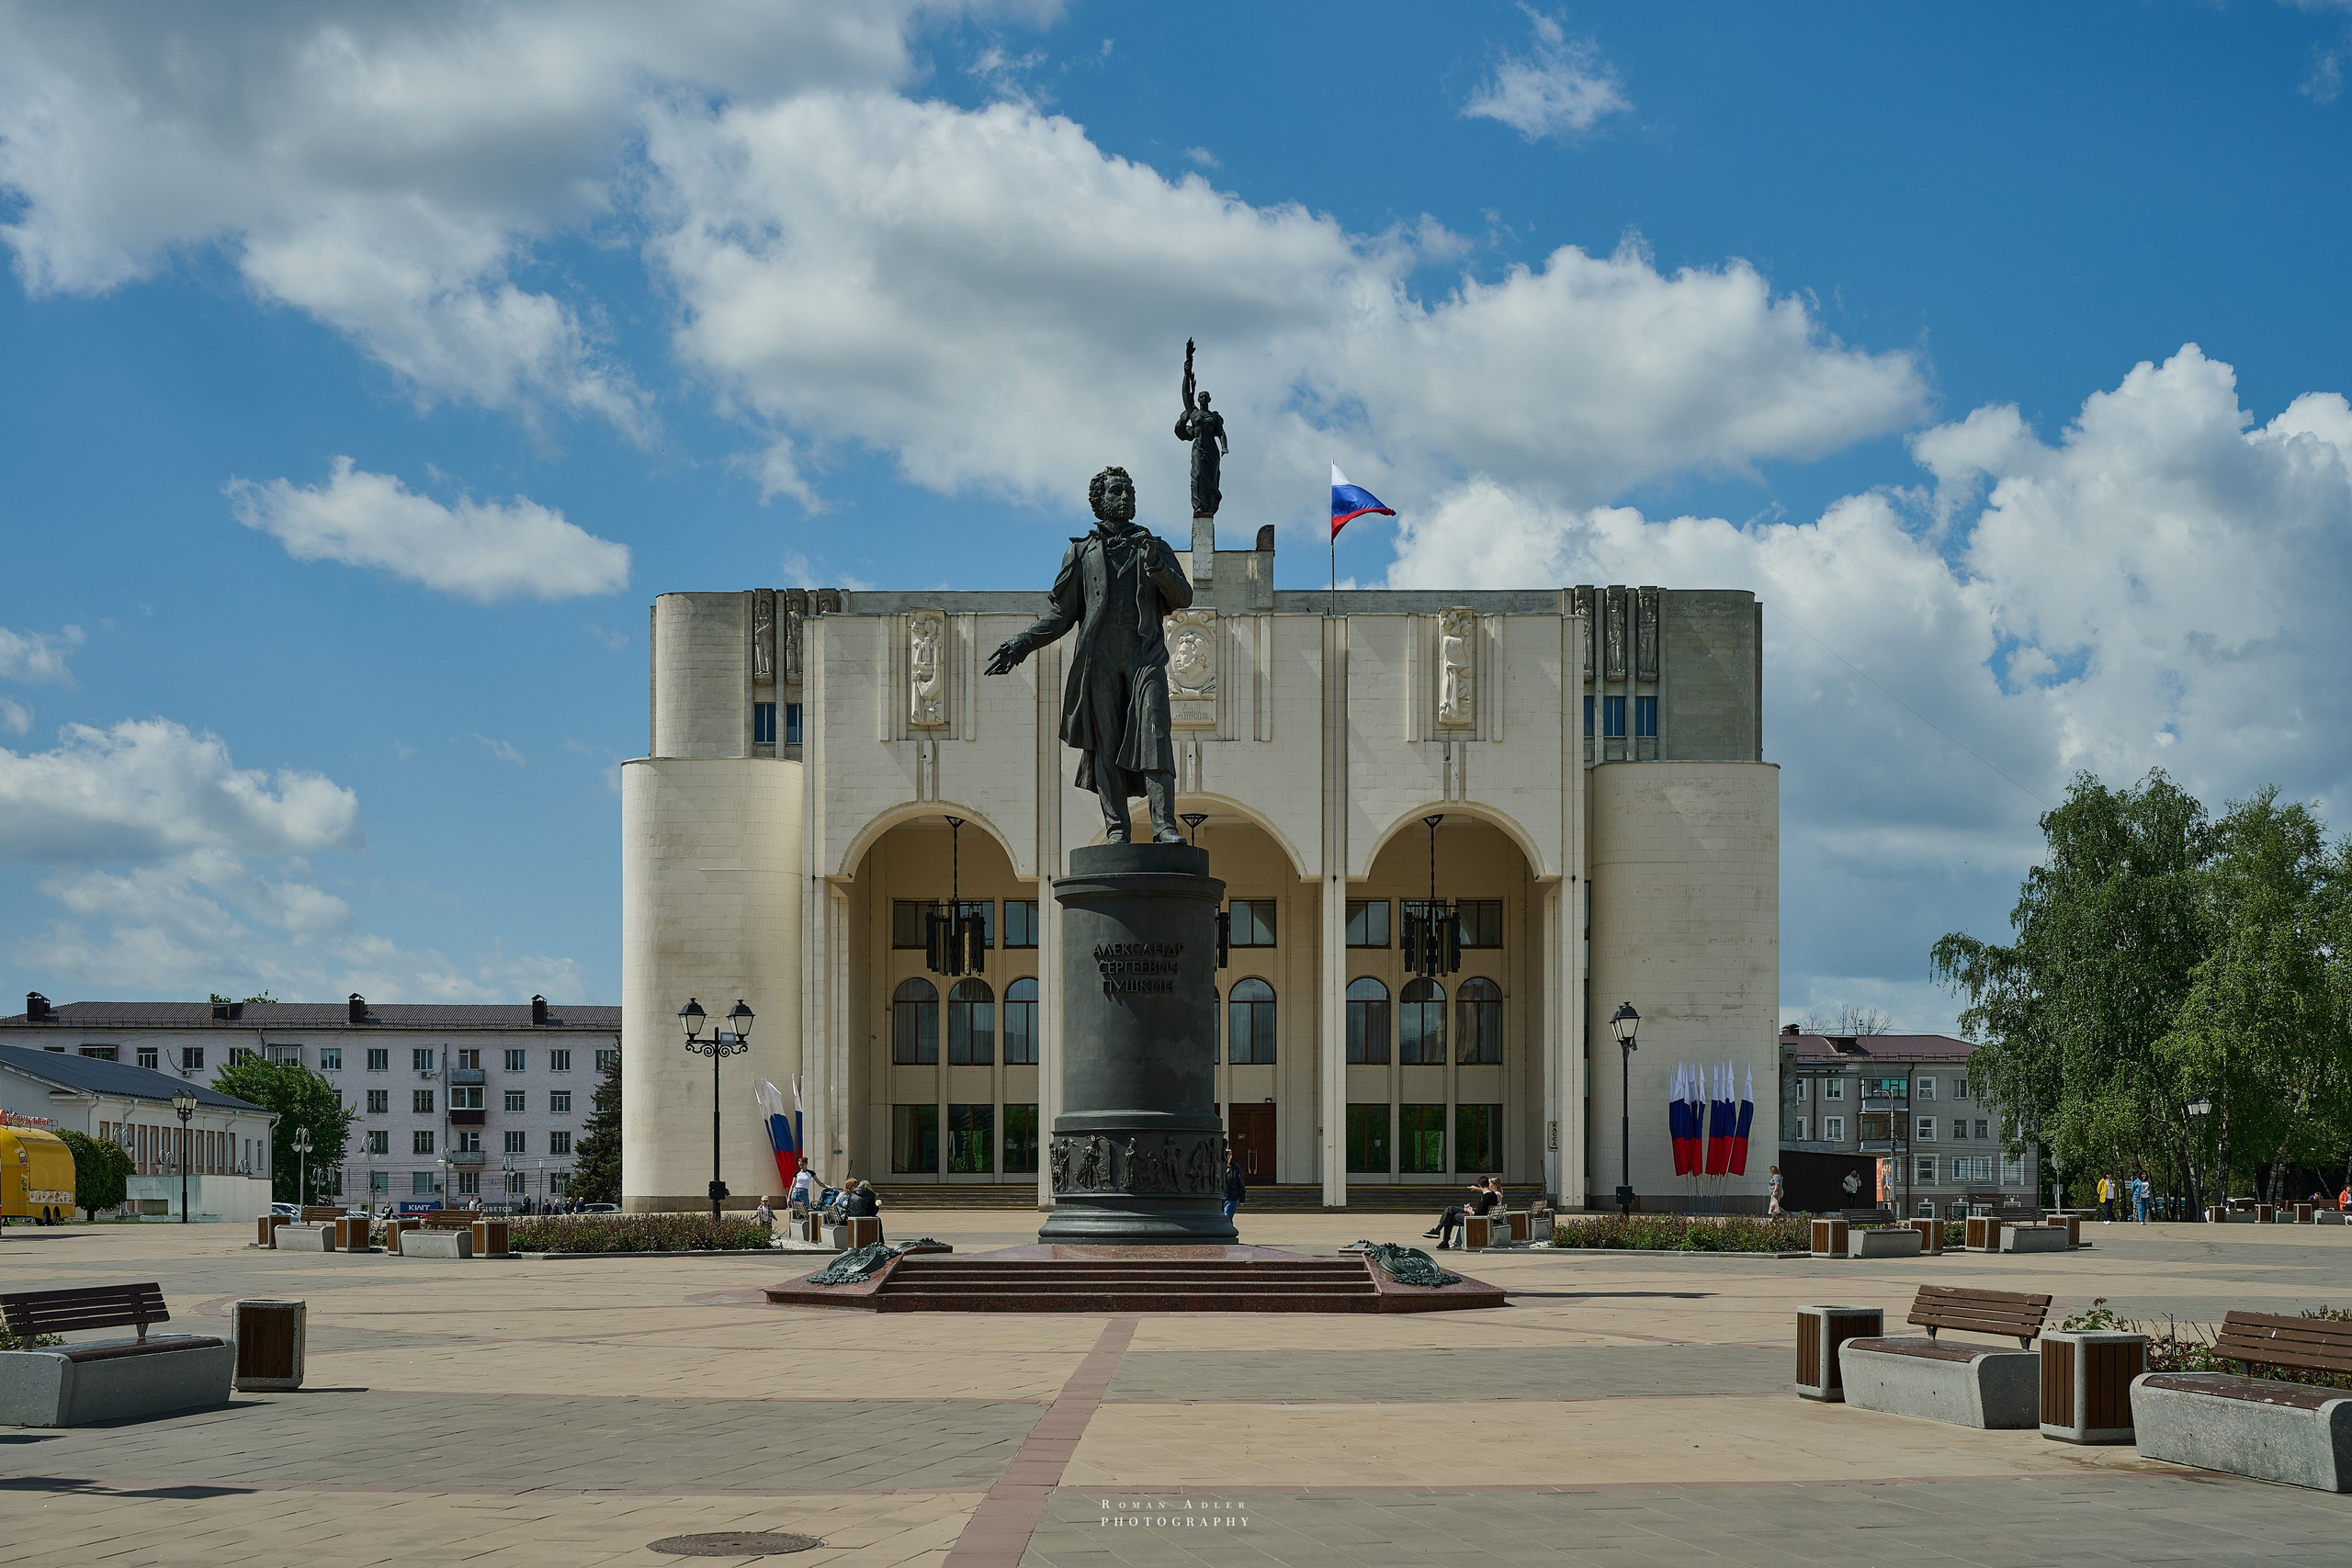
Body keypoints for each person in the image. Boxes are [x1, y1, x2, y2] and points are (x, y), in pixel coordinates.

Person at [1431, 1178, 1502, 1250]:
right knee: (1450, 1209)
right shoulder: (1493, 1195)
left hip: (1478, 1219)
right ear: (1488, 1184)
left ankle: (1441, 1237)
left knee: (1450, 1217)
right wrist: (1471, 1209)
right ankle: (1439, 1234)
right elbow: (1483, 1208)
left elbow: (1479, 1214)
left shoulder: (1485, 1197)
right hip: (1483, 1216)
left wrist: (1468, 1210)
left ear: (1480, 1185)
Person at [841, 1177, 883, 1244]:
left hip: (851, 1218)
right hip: (863, 1219)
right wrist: (877, 1206)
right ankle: (880, 1242)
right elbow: (873, 1213)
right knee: (878, 1220)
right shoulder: (870, 1196)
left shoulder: (852, 1195)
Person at [1223, 1153, 1247, 1222]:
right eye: (1227, 1155)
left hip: (1231, 1196)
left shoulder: (1236, 1168)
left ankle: (1228, 1232)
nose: (1228, 1157)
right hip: (1221, 1196)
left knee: (1227, 1217)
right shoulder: (1219, 1166)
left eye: (1230, 1156)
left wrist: (1242, 1199)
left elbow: (1241, 1182)